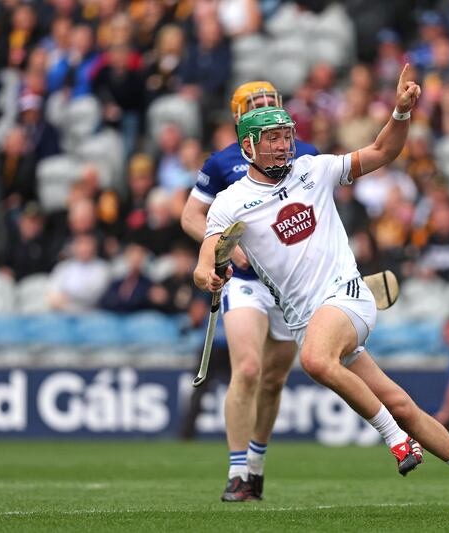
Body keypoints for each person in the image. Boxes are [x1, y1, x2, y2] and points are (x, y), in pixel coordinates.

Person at [194, 66, 449, 515]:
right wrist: (210, 276)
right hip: (308, 321)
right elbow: (206, 261)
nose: (284, 145)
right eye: (273, 139)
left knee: (316, 360)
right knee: (399, 402)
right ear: (248, 146)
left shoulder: (314, 170)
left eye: (286, 135)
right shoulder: (229, 202)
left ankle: (396, 441)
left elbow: (382, 151)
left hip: (348, 298)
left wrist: (399, 112)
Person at [180, 81, 319, 502]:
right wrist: (222, 249)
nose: (265, 110)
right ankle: (237, 470)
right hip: (245, 285)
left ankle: (256, 466)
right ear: (239, 116)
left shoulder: (305, 154)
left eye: (270, 103)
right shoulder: (223, 162)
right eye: (255, 105)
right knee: (249, 369)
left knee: (275, 380)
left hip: (288, 288)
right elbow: (191, 216)